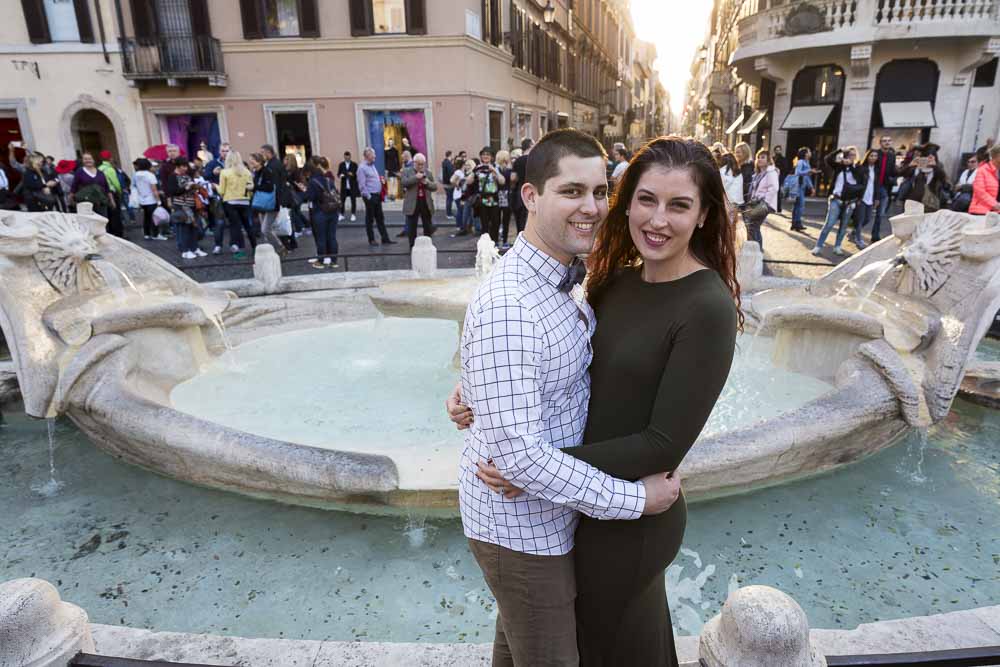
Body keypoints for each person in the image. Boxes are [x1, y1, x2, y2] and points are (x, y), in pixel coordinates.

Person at [447, 133, 740, 666]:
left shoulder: (707, 306)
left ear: (704, 216)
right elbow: (566, 363)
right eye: (646, 200)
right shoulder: (610, 282)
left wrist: (530, 467)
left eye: (679, 205)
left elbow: (662, 443)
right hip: (576, 503)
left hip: (630, 520)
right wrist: (477, 391)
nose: (657, 219)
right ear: (628, 205)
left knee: (613, 650)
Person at [812, 146, 865, 256]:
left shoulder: (858, 168)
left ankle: (837, 246)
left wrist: (850, 164)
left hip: (850, 201)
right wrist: (840, 150)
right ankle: (818, 246)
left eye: (853, 155)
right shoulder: (839, 167)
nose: (851, 157)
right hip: (836, 199)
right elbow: (827, 159)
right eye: (849, 155)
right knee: (829, 223)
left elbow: (861, 182)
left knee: (844, 225)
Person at [165, 156, 206, 260]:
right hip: (181, 205)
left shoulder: (188, 175)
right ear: (178, 166)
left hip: (192, 204)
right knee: (184, 229)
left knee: (194, 227)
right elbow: (173, 191)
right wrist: (185, 188)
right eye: (183, 166)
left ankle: (195, 248)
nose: (185, 168)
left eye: (186, 166)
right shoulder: (172, 177)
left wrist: (195, 187)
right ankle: (185, 250)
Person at [217, 150, 255, 259]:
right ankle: (254, 247)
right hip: (245, 201)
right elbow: (251, 188)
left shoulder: (225, 172)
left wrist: (215, 187)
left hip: (231, 201)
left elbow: (221, 191)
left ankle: (239, 250)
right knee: (248, 225)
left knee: (235, 226)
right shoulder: (246, 172)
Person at [303, 158, 340, 268]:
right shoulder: (329, 180)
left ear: (309, 172)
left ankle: (321, 261)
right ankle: (334, 261)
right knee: (332, 237)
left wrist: (304, 191)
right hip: (333, 212)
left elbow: (310, 197)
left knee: (321, 238)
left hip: (320, 212)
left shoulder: (312, 182)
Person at [358, 147, 395, 247]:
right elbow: (362, 185)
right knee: (370, 219)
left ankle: (385, 238)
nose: (375, 156)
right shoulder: (362, 168)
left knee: (380, 218)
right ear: (367, 156)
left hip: (377, 195)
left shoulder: (372, 166)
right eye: (373, 154)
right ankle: (371, 239)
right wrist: (369, 197)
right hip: (370, 196)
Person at [468, 146, 506, 244]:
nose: (485, 156)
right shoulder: (478, 168)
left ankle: (495, 243)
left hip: (494, 199)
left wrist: (494, 171)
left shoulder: (496, 167)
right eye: (483, 154)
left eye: (488, 154)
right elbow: (468, 182)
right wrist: (474, 171)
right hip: (483, 200)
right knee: (484, 224)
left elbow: (502, 182)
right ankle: (485, 245)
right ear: (480, 156)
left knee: (495, 223)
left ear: (492, 157)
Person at [260, 144, 293, 252]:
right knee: (274, 226)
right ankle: (286, 245)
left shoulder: (273, 165)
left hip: (274, 200)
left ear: (268, 152)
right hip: (275, 200)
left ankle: (281, 247)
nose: (261, 155)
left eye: (262, 153)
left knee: (267, 228)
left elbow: (275, 185)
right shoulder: (274, 163)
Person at [400, 153, 437, 248]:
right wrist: (416, 178)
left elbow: (434, 187)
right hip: (412, 203)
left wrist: (427, 183)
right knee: (412, 228)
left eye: (422, 164)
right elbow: (404, 183)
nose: (420, 166)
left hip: (425, 203)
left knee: (427, 227)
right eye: (418, 164)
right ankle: (412, 247)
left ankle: (428, 246)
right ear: (414, 163)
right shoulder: (406, 171)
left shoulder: (428, 172)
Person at [899, 144, 950, 213]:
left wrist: (935, 166)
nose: (928, 159)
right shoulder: (917, 165)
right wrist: (910, 165)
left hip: (930, 202)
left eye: (931, 157)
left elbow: (943, 179)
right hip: (913, 201)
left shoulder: (938, 165)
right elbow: (901, 173)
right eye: (926, 157)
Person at [746, 148, 779, 250]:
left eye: (763, 157)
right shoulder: (758, 174)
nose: (760, 159)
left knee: (753, 226)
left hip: (763, 204)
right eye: (758, 157)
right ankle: (755, 251)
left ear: (769, 160)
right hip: (756, 203)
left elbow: (774, 188)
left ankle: (757, 252)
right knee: (752, 226)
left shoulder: (771, 172)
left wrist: (765, 202)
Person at [870, 136, 897, 242]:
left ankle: (875, 235)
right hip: (871, 187)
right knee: (865, 214)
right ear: (880, 143)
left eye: (889, 140)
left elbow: (893, 172)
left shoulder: (892, 156)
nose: (887, 142)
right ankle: (856, 229)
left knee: (880, 214)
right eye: (884, 141)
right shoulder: (875, 154)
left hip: (884, 188)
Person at [70, 152, 113, 218]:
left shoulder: (100, 173)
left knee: (103, 222)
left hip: (101, 203)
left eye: (90, 158)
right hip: (86, 204)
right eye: (85, 159)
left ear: (93, 160)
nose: (88, 160)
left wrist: (112, 200)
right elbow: (74, 186)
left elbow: (106, 187)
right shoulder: (79, 172)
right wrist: (71, 199)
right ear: (82, 160)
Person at [854, 149, 881, 247]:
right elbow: (857, 183)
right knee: (860, 219)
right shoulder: (861, 168)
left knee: (868, 219)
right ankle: (858, 239)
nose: (873, 158)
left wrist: (877, 198)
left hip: (871, 197)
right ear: (867, 156)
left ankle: (854, 231)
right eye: (871, 155)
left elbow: (877, 185)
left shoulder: (876, 170)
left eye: (875, 156)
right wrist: (857, 198)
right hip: (862, 197)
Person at [132, 158, 162, 240]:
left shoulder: (136, 175)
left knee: (146, 217)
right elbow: (154, 190)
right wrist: (158, 201)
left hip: (142, 199)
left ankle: (147, 233)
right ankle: (155, 234)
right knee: (154, 217)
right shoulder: (150, 175)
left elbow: (134, 186)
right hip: (151, 199)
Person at [510, 138, 532, 238]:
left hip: (520, 191)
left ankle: (521, 238)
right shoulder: (535, 160)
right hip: (534, 192)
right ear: (531, 145)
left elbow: (513, 178)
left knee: (520, 218)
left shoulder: (518, 160)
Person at [790, 147, 816, 232]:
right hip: (798, 186)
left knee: (797, 205)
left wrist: (811, 187)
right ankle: (797, 223)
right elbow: (797, 172)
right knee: (800, 205)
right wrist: (809, 171)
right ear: (805, 153)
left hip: (802, 186)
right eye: (809, 151)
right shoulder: (801, 162)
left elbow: (807, 177)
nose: (810, 153)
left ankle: (795, 224)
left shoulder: (806, 162)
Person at [970, 143, 1000, 215]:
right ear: (997, 155)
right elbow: (980, 192)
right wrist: (995, 205)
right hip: (981, 211)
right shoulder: (982, 170)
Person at [450, 159, 474, 237]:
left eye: (468, 165)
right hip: (460, 195)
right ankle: (461, 227)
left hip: (464, 195)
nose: (466, 166)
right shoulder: (459, 172)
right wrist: (457, 186)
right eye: (466, 165)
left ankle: (464, 227)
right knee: (462, 212)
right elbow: (452, 180)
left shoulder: (466, 173)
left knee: (465, 212)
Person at [495, 149, 514, 247]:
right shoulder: (501, 169)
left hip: (501, 194)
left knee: (503, 219)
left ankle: (501, 240)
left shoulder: (504, 169)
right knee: (500, 219)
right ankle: (503, 240)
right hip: (503, 195)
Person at [337, 151, 359, 222]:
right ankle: (341, 214)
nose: (347, 158)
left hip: (352, 186)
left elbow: (356, 174)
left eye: (348, 157)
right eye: (345, 157)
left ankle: (353, 214)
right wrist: (340, 175)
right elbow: (338, 174)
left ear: (350, 157)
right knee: (342, 201)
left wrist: (351, 174)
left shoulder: (354, 164)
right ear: (344, 157)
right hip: (344, 186)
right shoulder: (341, 164)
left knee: (353, 200)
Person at [772, 146, 790, 214]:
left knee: (778, 192)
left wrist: (782, 176)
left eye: (779, 150)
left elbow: (785, 169)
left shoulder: (783, 159)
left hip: (780, 177)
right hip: (773, 177)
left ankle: (778, 209)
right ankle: (774, 208)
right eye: (776, 150)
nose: (778, 151)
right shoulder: (773, 158)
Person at [441, 150, 456, 219]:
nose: (453, 156)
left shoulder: (445, 162)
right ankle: (449, 214)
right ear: (450, 155)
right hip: (449, 184)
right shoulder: (448, 163)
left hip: (446, 183)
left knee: (449, 198)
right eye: (453, 154)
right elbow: (450, 173)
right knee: (449, 199)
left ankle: (449, 212)